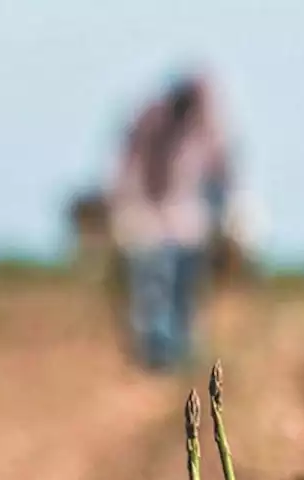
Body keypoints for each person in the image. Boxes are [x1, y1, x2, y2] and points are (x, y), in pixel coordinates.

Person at [108, 70, 233, 372]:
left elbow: (222, 175)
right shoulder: (149, 123)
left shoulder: (207, 128)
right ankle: (158, 353)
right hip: (150, 223)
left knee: (183, 292)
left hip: (189, 226)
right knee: (155, 290)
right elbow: (128, 172)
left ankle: (176, 353)